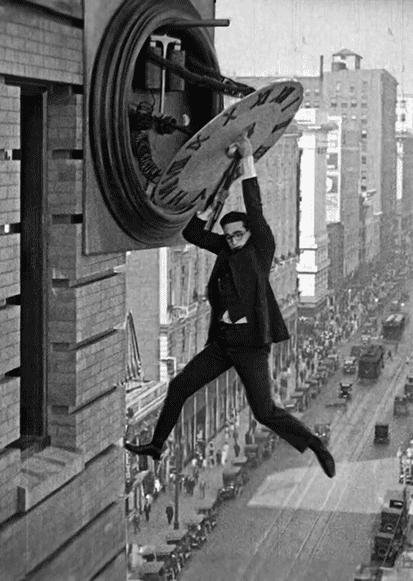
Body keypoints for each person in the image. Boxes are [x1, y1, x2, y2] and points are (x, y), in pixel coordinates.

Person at [125, 133, 336, 479]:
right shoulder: (225, 248)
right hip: (223, 345)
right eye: (230, 236)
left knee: (265, 412)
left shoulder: (261, 248)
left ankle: (314, 444)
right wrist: (212, 205)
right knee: (179, 386)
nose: (234, 240)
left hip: (251, 347)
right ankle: (156, 445)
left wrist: (248, 159)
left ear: (250, 233)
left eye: (239, 234)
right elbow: (192, 234)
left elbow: (255, 204)